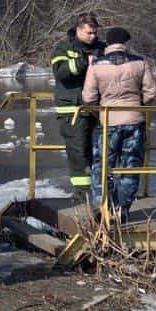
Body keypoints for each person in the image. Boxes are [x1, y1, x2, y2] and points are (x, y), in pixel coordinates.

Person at [80, 27, 156, 215]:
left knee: (102, 166)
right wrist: (139, 104)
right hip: (134, 120)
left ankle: (102, 207)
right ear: (125, 43)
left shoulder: (96, 66)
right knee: (130, 166)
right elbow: (151, 91)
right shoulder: (140, 63)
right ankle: (121, 209)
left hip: (108, 120)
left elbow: (88, 97)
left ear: (108, 43)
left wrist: (99, 112)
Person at [51, 13, 106, 201]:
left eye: (95, 32)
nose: (93, 36)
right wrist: (84, 62)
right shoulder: (64, 48)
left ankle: (101, 193)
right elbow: (61, 73)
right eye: (89, 32)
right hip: (73, 110)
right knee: (78, 153)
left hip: (98, 109)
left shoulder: (102, 47)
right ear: (78, 30)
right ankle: (82, 195)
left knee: (101, 152)